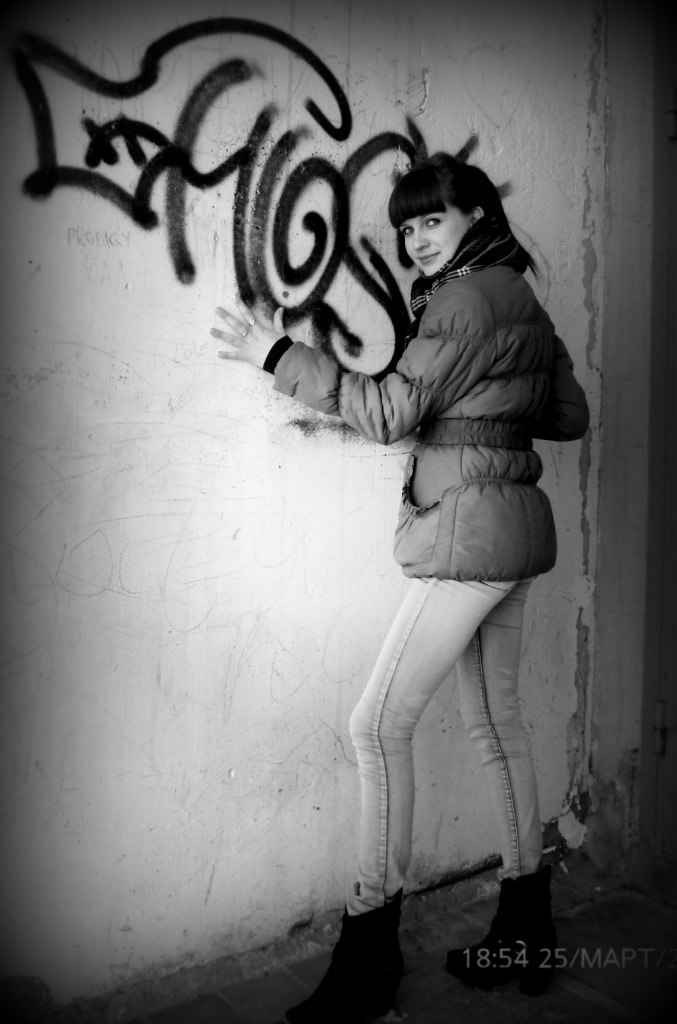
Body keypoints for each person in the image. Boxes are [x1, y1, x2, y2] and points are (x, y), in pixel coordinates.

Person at [211, 150, 590, 1022]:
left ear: (475, 216)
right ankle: (524, 928)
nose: (417, 239)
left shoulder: (459, 300)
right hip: (512, 529)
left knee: (375, 725)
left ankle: (369, 950)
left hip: (468, 533)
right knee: (497, 724)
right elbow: (568, 414)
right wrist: (489, 398)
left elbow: (387, 413)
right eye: (407, 225)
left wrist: (278, 353)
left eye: (432, 219)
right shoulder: (516, 297)